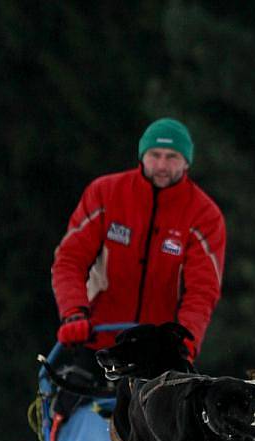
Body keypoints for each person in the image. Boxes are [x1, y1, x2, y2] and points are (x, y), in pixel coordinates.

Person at [51, 117, 226, 370]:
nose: (162, 165)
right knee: (68, 404)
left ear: (186, 162)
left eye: (172, 157)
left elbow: (202, 290)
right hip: (97, 342)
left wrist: (186, 338)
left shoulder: (204, 215)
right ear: (142, 156)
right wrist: (74, 313)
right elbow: (69, 259)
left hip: (157, 353)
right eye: (155, 155)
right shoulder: (105, 193)